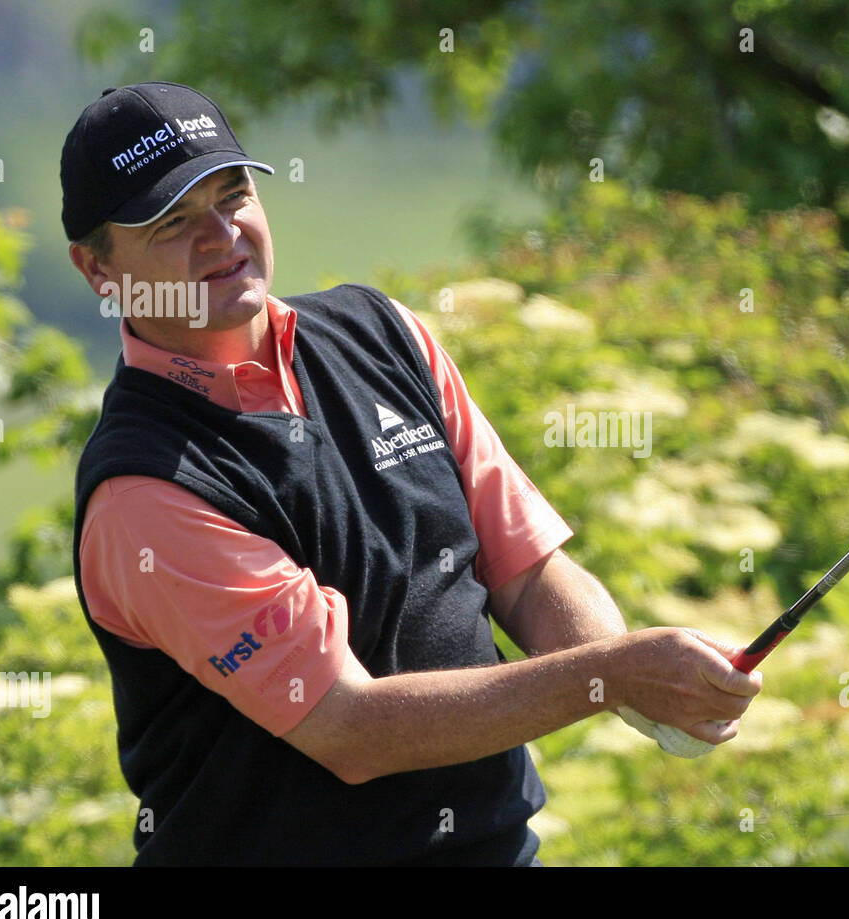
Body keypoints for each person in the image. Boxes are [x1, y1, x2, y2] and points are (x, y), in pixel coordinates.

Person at [62, 81, 762, 865]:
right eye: (173, 222)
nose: (223, 236)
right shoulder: (146, 492)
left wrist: (648, 694)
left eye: (235, 195)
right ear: (98, 270)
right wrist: (612, 675)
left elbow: (526, 574)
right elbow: (350, 727)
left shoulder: (383, 332)